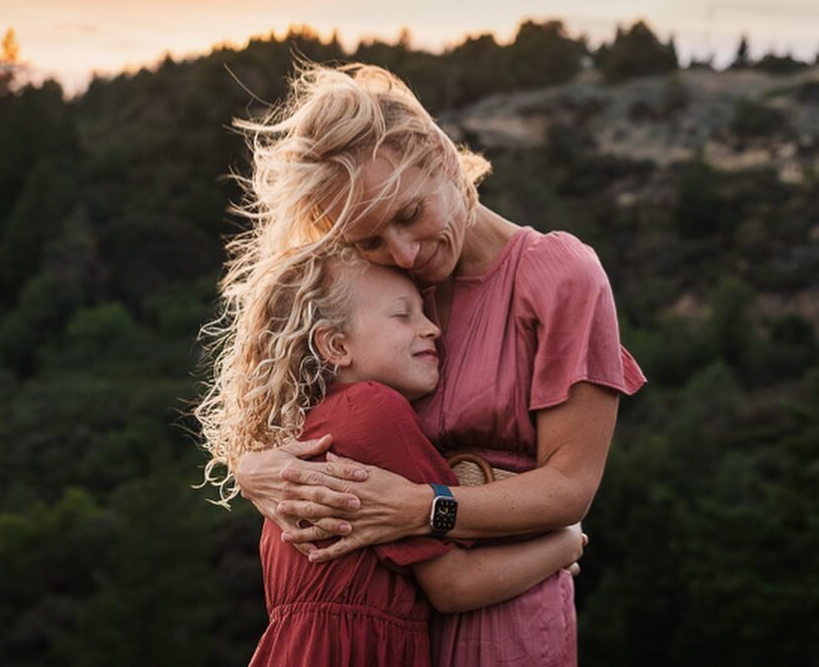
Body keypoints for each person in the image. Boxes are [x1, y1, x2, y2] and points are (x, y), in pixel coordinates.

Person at [221, 62, 646, 666]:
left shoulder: (560, 278)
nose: (404, 252)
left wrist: (424, 508)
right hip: (387, 627)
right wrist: (254, 469)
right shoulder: (377, 292)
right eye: (370, 239)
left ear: (441, 157)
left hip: (506, 612)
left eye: (409, 213)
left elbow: (571, 487)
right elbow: (304, 400)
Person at [196, 244, 587, 667]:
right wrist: (565, 545)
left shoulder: (309, 427)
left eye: (426, 312)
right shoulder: (374, 411)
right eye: (403, 315)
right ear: (337, 346)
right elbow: (454, 585)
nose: (432, 328)